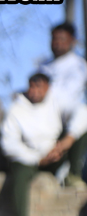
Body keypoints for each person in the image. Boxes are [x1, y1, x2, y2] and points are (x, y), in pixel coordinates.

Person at [0, 72, 87, 216]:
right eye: (32, 87)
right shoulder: (17, 109)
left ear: (48, 88)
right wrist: (36, 158)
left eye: (40, 87)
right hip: (28, 158)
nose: (35, 92)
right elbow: (9, 144)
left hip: (54, 154)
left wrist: (65, 142)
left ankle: (73, 175)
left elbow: (83, 113)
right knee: (19, 176)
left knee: (81, 129)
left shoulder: (57, 102)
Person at [39, 22, 87, 185]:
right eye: (54, 39)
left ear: (72, 41)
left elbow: (67, 96)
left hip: (65, 122)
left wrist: (44, 93)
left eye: (62, 39)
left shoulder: (79, 66)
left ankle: (73, 173)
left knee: (82, 122)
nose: (57, 43)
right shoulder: (44, 66)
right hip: (41, 119)